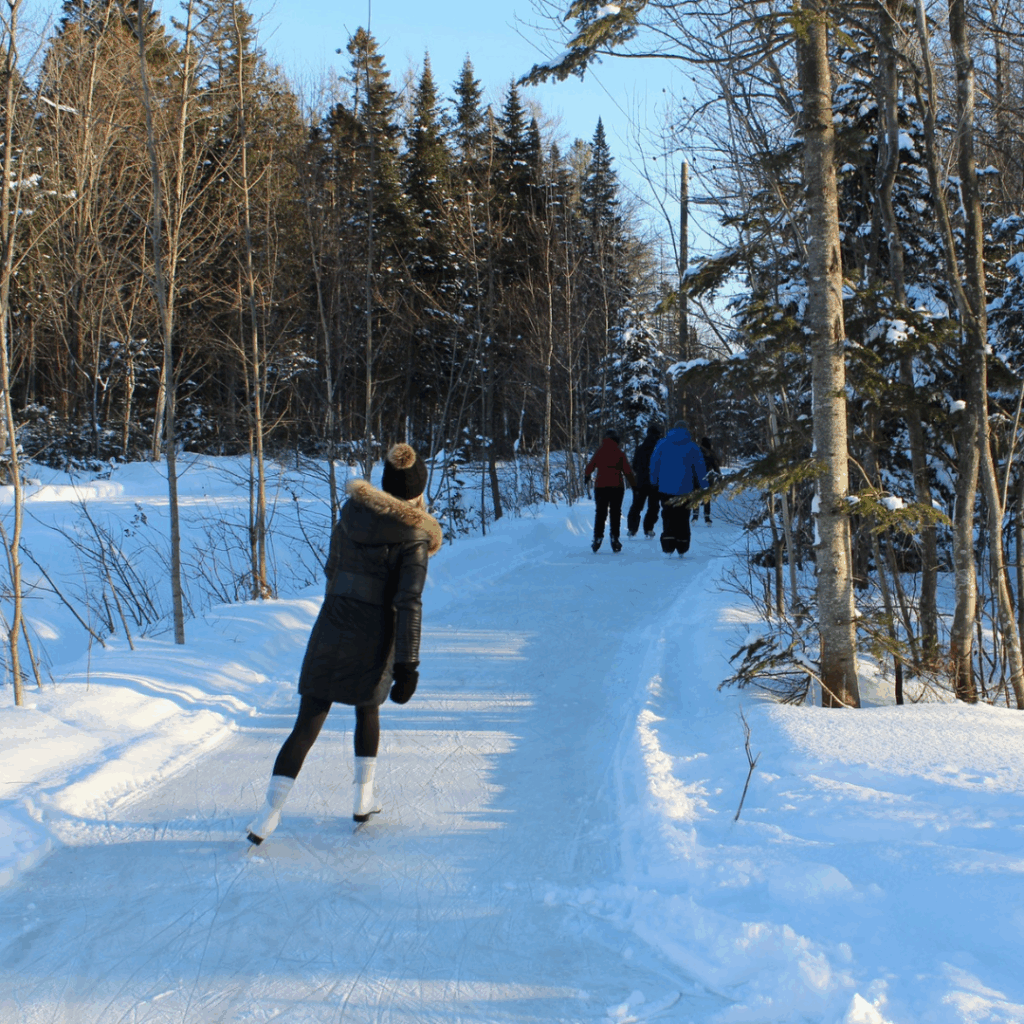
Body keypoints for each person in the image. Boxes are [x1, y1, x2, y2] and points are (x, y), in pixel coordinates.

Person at [247, 443, 442, 843]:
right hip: (376, 633)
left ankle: (268, 814)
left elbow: (332, 569)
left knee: (308, 720)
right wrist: (408, 664)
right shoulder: (415, 536)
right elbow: (408, 601)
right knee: (367, 709)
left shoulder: (350, 518)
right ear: (418, 493)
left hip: (332, 622)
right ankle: (362, 799)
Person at [649, 420, 708, 556]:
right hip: (685, 489)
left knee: (668, 515)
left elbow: (654, 464)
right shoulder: (692, 447)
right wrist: (705, 486)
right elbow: (700, 468)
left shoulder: (662, 444)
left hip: (665, 488)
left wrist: (654, 481)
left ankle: (668, 545)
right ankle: (682, 546)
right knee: (683, 517)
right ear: (686, 430)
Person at [584, 428, 636, 553]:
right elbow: (627, 471)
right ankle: (614, 537)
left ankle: (597, 537)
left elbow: (590, 467)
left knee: (600, 513)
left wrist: (586, 477)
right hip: (617, 487)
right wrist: (634, 485)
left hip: (601, 487)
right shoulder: (619, 453)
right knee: (615, 513)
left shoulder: (599, 452)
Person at [626, 421, 663, 538]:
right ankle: (648, 528)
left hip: (640, 481)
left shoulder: (640, 448)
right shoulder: (660, 449)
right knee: (654, 506)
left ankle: (632, 529)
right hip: (655, 482)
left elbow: (634, 465)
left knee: (636, 506)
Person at [692, 436, 722, 525]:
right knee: (706, 497)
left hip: (696, 477)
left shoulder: (696, 451)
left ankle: (695, 515)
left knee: (696, 496)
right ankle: (707, 517)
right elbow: (716, 466)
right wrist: (719, 478)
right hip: (708, 477)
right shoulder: (711, 453)